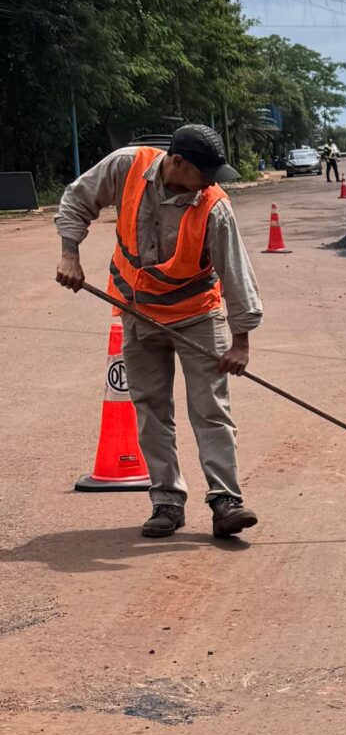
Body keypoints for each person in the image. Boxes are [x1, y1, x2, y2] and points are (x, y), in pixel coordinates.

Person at [55, 125, 264, 540]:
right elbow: (77, 200)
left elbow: (237, 275)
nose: (211, 182)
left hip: (197, 317)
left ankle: (226, 501)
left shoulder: (213, 206)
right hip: (137, 313)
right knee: (151, 409)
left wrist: (241, 342)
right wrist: (69, 255)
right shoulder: (127, 167)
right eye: (205, 172)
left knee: (210, 409)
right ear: (178, 163)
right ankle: (166, 501)